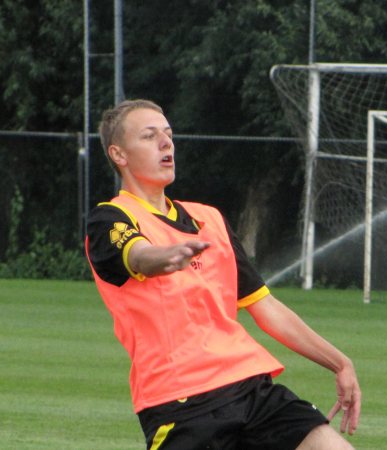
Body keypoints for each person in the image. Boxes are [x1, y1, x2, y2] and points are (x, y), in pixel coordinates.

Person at [85, 99, 360, 450]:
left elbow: (265, 307)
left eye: (168, 135)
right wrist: (162, 256)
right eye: (149, 136)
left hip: (251, 389)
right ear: (119, 154)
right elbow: (137, 256)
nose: (166, 143)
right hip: (182, 404)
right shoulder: (110, 218)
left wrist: (339, 363)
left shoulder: (208, 219)